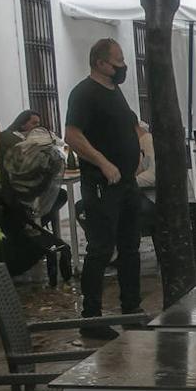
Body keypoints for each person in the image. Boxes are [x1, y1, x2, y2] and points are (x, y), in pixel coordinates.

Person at [64, 38, 143, 340]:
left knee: (130, 246)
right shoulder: (84, 94)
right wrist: (104, 163)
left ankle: (131, 308)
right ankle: (92, 316)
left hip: (127, 183)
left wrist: (139, 153)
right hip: (102, 184)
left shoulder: (116, 91)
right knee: (100, 249)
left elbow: (129, 125)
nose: (122, 67)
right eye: (117, 62)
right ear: (99, 63)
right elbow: (72, 135)